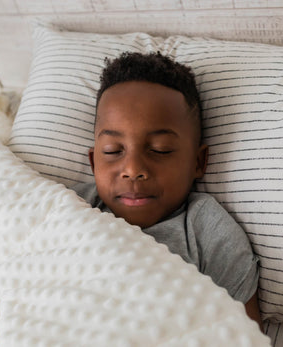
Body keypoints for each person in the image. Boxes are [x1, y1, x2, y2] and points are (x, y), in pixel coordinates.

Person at [72, 52, 262, 327]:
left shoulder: (207, 231)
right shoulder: (70, 206)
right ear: (93, 161)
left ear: (198, 162)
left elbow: (247, 335)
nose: (133, 168)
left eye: (160, 150)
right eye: (113, 151)